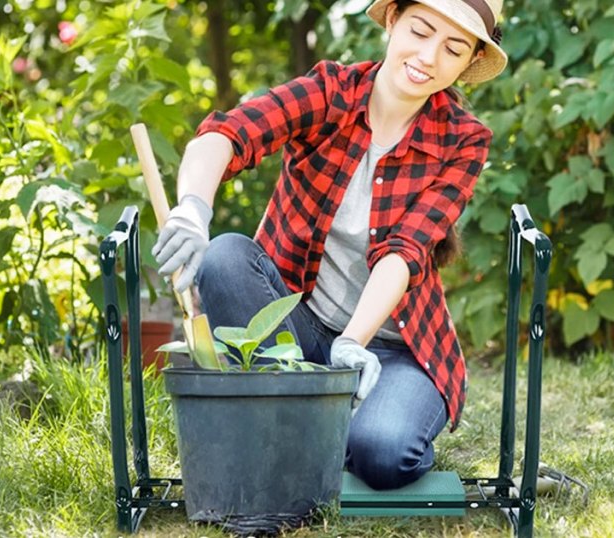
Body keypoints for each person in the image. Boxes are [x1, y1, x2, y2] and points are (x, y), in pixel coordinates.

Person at [152, 0, 507, 491]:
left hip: (390, 348)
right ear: (392, 19)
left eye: (452, 49)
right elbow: (226, 134)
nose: (428, 57)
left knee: (383, 453)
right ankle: (308, 422)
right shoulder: (330, 92)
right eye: (420, 31)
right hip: (295, 325)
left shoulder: (464, 140)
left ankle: (300, 430)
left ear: (469, 63)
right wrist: (193, 207)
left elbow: (405, 251)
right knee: (224, 258)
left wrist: (353, 342)